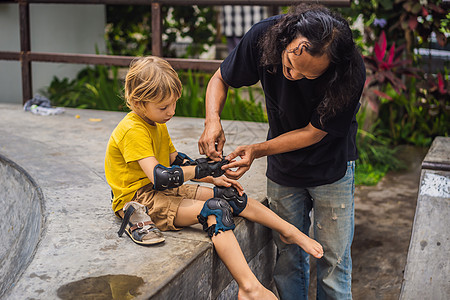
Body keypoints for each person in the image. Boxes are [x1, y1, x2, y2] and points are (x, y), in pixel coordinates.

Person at [104, 56, 324, 299]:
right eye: (164, 107)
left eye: (174, 104)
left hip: (159, 191)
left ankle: (288, 230)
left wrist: (215, 175)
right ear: (138, 102)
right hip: (140, 198)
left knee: (232, 195)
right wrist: (203, 171)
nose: (172, 112)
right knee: (215, 210)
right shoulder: (132, 130)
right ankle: (249, 288)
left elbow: (176, 160)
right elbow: (161, 177)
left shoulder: (156, 122)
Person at [198, 3, 366, 300]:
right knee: (288, 257)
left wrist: (257, 150)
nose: (292, 76)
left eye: (307, 75)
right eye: (289, 63)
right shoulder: (264, 35)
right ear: (288, 39)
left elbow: (315, 132)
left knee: (334, 261)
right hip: (284, 167)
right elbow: (220, 78)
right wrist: (213, 120)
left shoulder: (349, 68)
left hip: (332, 166)